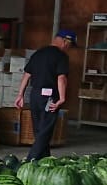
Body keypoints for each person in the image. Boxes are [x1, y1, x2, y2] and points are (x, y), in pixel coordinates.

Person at [14, 28, 77, 161]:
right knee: (45, 130)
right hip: (49, 97)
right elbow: (61, 78)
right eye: (70, 46)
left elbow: (26, 75)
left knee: (39, 129)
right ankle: (30, 160)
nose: (68, 49)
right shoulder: (61, 56)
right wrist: (62, 98)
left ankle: (45, 159)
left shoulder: (38, 53)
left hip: (35, 95)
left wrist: (20, 95)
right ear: (65, 42)